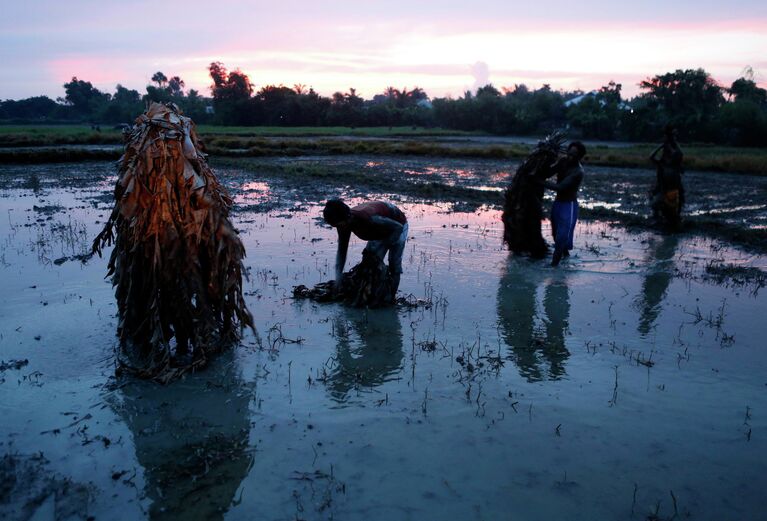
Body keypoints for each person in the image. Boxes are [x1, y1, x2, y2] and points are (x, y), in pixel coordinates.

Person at [323, 199, 408, 301]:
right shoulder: (343, 224)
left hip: (398, 224)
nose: (339, 228)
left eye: (339, 225)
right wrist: (338, 278)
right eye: (335, 226)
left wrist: (379, 259)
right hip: (378, 230)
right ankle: (373, 295)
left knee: (394, 265)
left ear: (348, 217)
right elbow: (341, 251)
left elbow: (397, 228)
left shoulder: (370, 219)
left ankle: (391, 299)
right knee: (368, 264)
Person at [536, 141, 586, 266]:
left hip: (568, 206)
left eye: (574, 155)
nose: (570, 157)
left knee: (561, 237)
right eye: (569, 153)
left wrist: (538, 182)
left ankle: (554, 267)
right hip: (558, 203)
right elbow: (548, 173)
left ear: (580, 157)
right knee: (555, 234)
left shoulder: (578, 172)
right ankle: (566, 258)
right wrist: (544, 160)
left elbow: (561, 187)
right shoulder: (563, 162)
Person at [649, 124, 685, 225]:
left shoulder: (674, 162)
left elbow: (679, 154)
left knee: (679, 199)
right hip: (663, 186)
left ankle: (675, 216)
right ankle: (657, 216)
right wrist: (661, 146)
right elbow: (651, 156)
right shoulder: (662, 163)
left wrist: (671, 145)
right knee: (656, 199)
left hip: (673, 185)